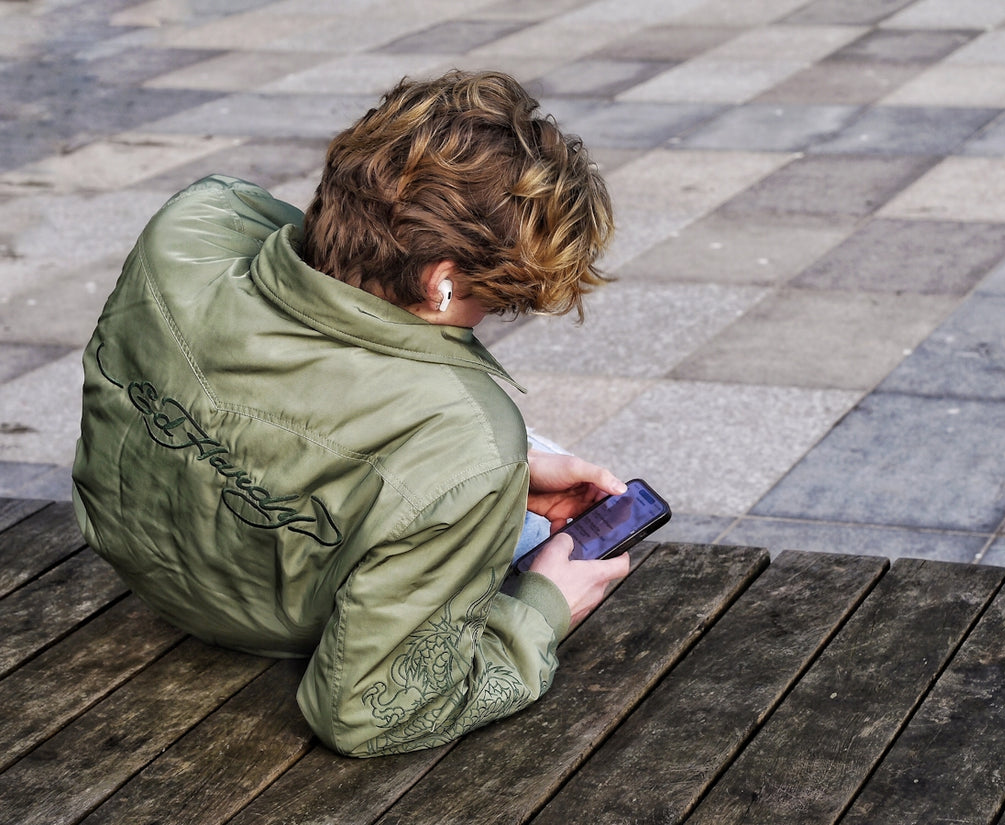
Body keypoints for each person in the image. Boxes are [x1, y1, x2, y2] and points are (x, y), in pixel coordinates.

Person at [71, 70, 630, 757]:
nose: (492, 315)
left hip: (148, 562)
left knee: (488, 457)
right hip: (267, 619)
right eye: (497, 297)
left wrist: (505, 478)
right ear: (442, 279)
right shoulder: (467, 442)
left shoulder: (189, 226)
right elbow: (367, 712)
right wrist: (541, 609)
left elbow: (287, 384)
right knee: (490, 452)